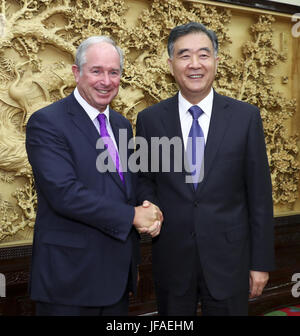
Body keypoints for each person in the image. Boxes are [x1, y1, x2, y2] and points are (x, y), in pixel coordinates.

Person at [136, 22, 275, 316]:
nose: (194, 64)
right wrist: (150, 209)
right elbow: (145, 180)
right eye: (184, 55)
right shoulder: (150, 120)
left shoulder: (245, 117)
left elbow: (260, 196)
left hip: (230, 262)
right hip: (172, 259)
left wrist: (260, 263)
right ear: (171, 64)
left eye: (204, 54)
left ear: (216, 60)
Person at [25, 36, 162, 316]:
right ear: (77, 73)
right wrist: (133, 216)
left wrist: (151, 207)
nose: (106, 80)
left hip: (116, 278)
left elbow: (132, 183)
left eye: (113, 72)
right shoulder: (47, 122)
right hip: (68, 280)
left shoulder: (122, 125)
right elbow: (65, 194)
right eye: (96, 71)